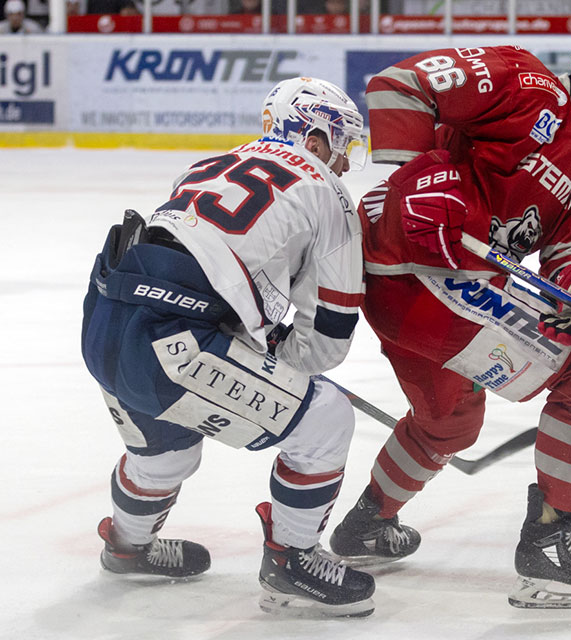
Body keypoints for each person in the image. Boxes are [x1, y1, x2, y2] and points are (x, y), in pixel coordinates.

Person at [326, 12, 571, 609]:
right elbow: (397, 85)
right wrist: (416, 183)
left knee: (449, 424)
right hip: (423, 273)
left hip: (425, 296)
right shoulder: (524, 81)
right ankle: (548, 545)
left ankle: (365, 526)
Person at [80, 77, 378, 617]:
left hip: (104, 321)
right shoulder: (328, 192)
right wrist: (282, 365)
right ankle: (292, 561)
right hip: (172, 347)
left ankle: (127, 546)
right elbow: (327, 338)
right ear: (313, 138)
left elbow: (207, 272)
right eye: (340, 144)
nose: (343, 165)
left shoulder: (206, 164)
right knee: (325, 418)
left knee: (167, 453)